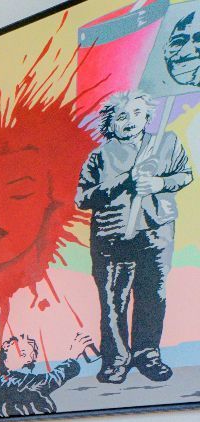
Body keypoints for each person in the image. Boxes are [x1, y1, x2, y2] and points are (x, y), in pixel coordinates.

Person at [77, 90, 192, 384]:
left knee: (152, 295)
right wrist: (124, 181)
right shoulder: (99, 156)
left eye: (137, 113)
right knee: (113, 300)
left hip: (156, 232)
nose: (130, 120)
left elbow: (185, 175)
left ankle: (147, 354)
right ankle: (116, 360)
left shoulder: (165, 143)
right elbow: (83, 198)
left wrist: (158, 183)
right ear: (110, 123)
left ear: (148, 116)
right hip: (112, 237)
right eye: (122, 116)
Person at [0, 333, 87, 418]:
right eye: (23, 354)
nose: (29, 360)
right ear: (5, 360)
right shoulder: (15, 382)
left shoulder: (1, 383)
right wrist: (72, 358)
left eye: (32, 355)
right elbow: (50, 380)